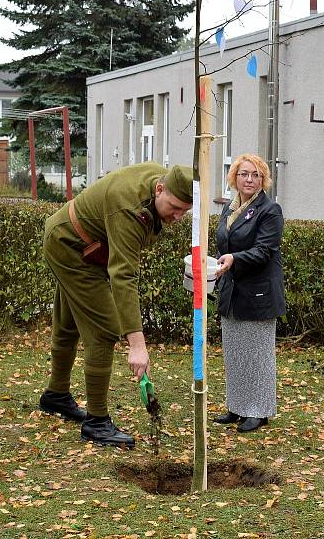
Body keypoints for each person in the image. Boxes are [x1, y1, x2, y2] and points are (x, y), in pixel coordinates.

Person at [39, 162, 193, 447]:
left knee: (69, 323)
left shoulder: (161, 181)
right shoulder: (129, 209)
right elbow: (123, 275)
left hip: (82, 244)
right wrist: (137, 345)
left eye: (185, 210)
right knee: (104, 329)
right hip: (70, 247)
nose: (178, 216)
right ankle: (96, 422)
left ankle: (56, 396)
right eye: (174, 207)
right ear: (159, 189)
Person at [213, 154, 285, 433]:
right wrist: (218, 262)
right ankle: (237, 406)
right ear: (234, 177)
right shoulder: (231, 208)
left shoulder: (270, 210)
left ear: (263, 179)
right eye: (244, 174)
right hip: (232, 289)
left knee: (257, 353)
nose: (249, 180)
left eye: (255, 175)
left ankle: (258, 411)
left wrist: (232, 259)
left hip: (258, 293)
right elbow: (225, 243)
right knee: (234, 352)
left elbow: (264, 250)